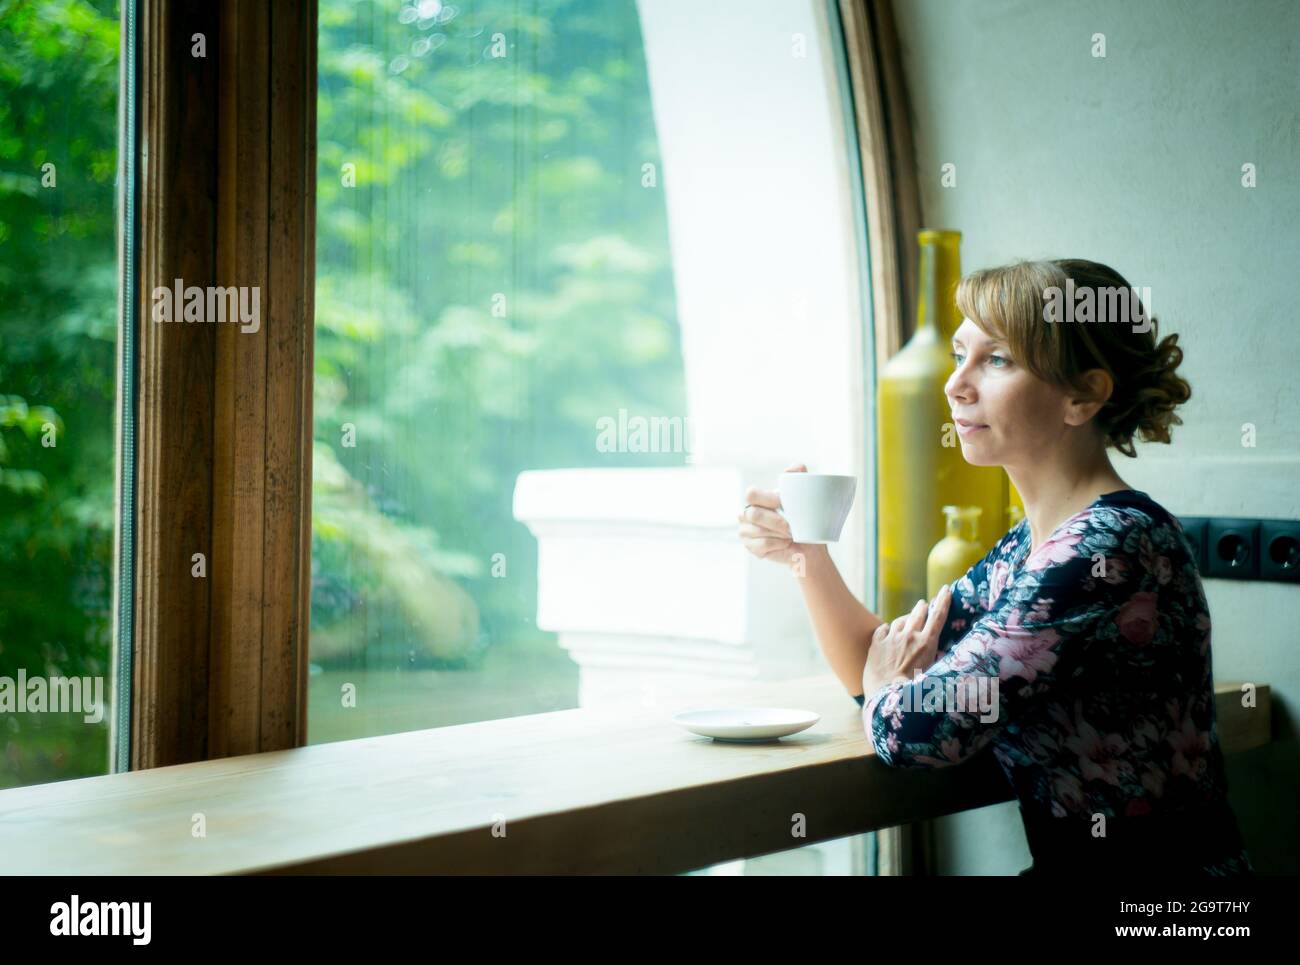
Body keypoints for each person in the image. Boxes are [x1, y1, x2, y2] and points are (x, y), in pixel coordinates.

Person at [737, 258, 1254, 876]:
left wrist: (888, 688)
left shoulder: (1106, 548)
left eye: (997, 359)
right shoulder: (1032, 548)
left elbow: (913, 730)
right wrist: (806, 553)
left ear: (1082, 395)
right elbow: (885, 661)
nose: (956, 384)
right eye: (960, 354)